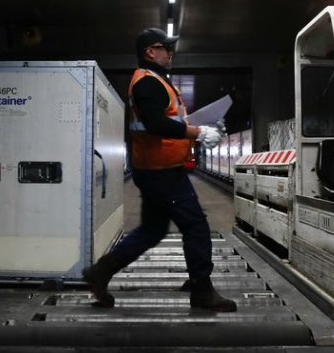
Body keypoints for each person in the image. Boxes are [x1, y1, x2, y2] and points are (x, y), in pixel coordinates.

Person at [82, 28, 237, 312]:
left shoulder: (158, 83)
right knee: (196, 226)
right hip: (161, 171)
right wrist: (198, 133)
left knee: (152, 230)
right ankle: (202, 290)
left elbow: (169, 120)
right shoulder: (147, 83)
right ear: (149, 53)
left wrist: (205, 124)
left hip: (158, 169)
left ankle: (100, 273)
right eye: (164, 47)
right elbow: (155, 124)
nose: (170, 52)